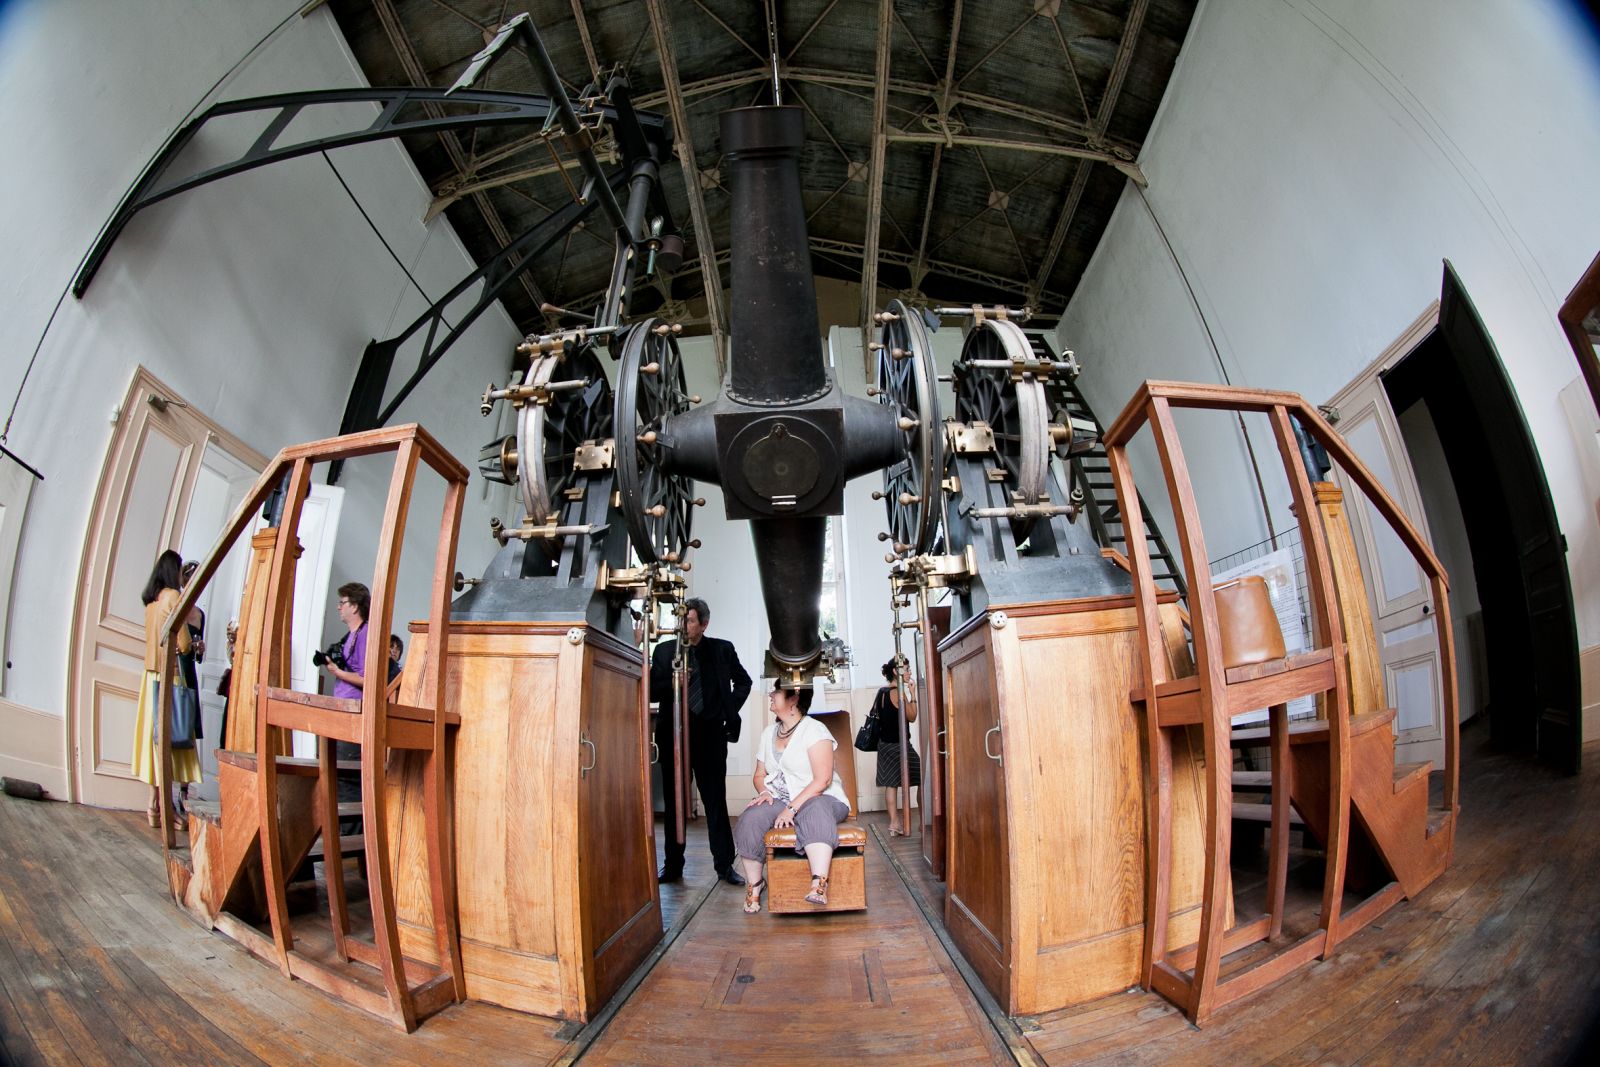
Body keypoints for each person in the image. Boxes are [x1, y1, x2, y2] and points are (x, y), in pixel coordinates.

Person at [650, 597, 752, 885]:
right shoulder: (664, 651)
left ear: (704, 624)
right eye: (681, 619)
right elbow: (652, 692)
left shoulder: (722, 650)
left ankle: (724, 866)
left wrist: (726, 711)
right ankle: (672, 867)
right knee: (674, 804)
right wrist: (675, 679)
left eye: (690, 620)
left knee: (715, 802)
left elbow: (743, 681)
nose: (683, 625)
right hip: (673, 737)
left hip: (710, 736)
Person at [731, 682, 852, 912]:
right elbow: (759, 774)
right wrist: (765, 792)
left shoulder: (815, 730)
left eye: (776, 691)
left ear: (793, 698)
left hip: (823, 798)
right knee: (751, 817)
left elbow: (822, 780)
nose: (770, 694)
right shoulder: (768, 733)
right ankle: (755, 885)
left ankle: (819, 883)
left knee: (815, 809)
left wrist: (792, 808)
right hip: (780, 798)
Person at [130, 550, 202, 827]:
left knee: (153, 742)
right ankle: (169, 811)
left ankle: (153, 806)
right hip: (168, 677)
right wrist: (193, 645)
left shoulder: (151, 601)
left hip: (149, 676)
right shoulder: (173, 597)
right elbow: (183, 644)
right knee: (171, 742)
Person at [319, 582, 372, 836]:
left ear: (354, 606)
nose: (339, 608)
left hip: (355, 708)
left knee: (348, 775)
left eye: (342, 603)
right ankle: (340, 833)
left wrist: (338, 672)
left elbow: (367, 677)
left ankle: (351, 837)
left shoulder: (365, 633)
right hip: (342, 705)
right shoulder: (350, 636)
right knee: (338, 772)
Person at [873, 656, 920, 835]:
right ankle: (925, 822)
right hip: (900, 747)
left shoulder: (882, 692)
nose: (909, 673)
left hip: (884, 745)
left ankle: (894, 824)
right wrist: (913, 693)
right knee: (922, 778)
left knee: (890, 784)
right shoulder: (898, 693)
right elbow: (912, 716)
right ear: (896, 671)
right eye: (906, 669)